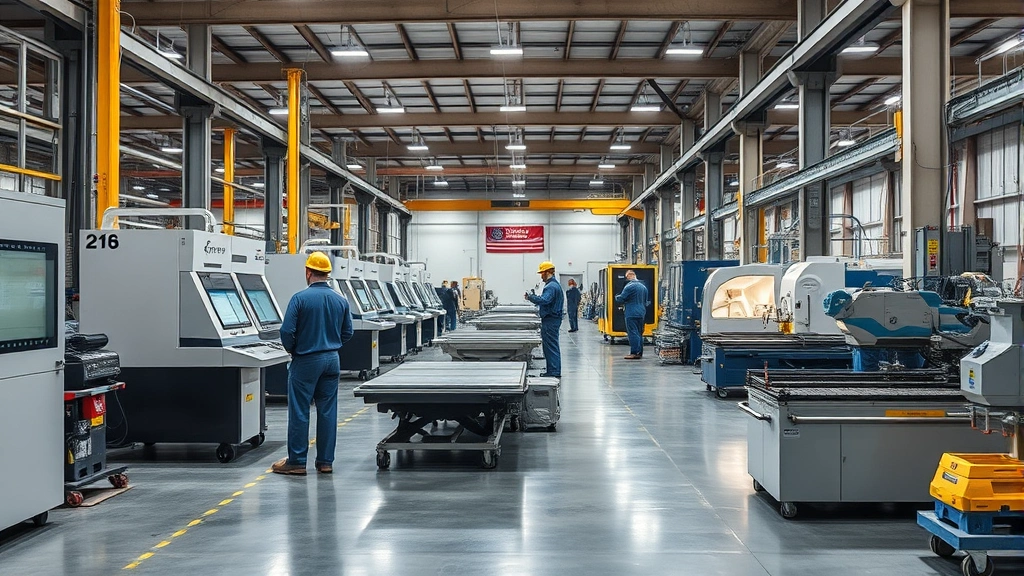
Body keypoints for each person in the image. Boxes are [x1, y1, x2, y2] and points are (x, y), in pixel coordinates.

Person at [273, 252, 354, 476]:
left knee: (300, 411)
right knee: (328, 411)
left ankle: (297, 462)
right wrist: (331, 343)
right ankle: (326, 462)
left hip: (306, 360)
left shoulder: (299, 298)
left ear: (308, 272)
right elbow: (348, 332)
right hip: (332, 360)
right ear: (327, 274)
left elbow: (286, 331)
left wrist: (293, 349)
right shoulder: (341, 300)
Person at [525, 261, 563, 378]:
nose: (541, 276)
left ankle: (554, 371)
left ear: (547, 272)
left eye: (542, 273)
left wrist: (531, 297)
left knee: (550, 346)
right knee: (551, 346)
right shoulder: (554, 285)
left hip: (550, 320)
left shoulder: (551, 286)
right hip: (552, 319)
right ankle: (553, 370)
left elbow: (545, 300)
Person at [615, 269, 649, 360]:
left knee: (632, 332)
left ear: (629, 276)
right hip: (641, 312)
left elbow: (621, 298)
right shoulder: (643, 287)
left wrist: (616, 297)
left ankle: (634, 352)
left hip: (631, 313)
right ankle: (639, 352)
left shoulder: (629, 286)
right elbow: (646, 301)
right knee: (639, 333)